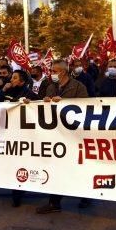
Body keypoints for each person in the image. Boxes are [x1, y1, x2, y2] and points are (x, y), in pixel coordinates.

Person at [34, 59, 92, 213]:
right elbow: (42, 107)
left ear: (63, 72)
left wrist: (65, 103)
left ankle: (86, 196)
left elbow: (85, 107)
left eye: (54, 71)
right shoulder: (51, 87)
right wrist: (45, 102)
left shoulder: (78, 87)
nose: (51, 74)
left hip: (74, 135)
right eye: (51, 71)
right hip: (57, 134)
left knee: (77, 167)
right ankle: (54, 203)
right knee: (57, 167)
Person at [0, 69, 38, 207]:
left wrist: (31, 105)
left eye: (15, 78)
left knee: (20, 163)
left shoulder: (29, 94)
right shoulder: (7, 89)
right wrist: (3, 90)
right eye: (12, 77)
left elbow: (39, 109)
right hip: (6, 132)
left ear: (22, 81)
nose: (11, 80)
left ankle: (18, 192)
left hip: (22, 135)